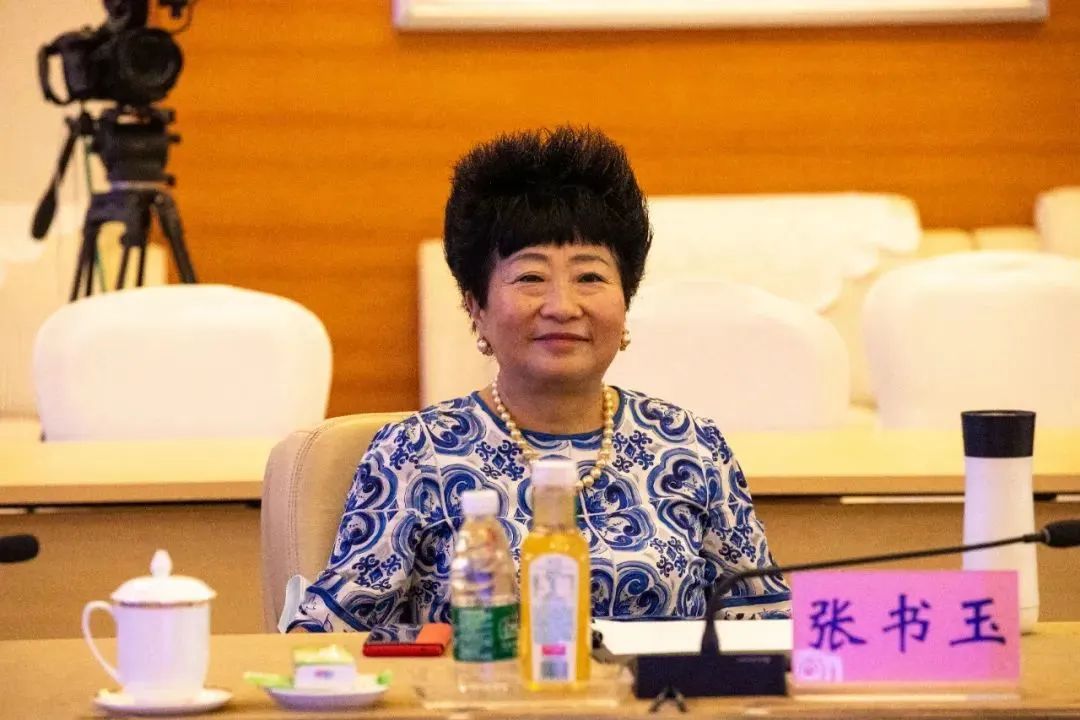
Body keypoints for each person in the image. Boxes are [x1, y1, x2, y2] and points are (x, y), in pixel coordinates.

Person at [287, 126, 790, 632]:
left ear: (626, 301)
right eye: (530, 277)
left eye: (590, 277)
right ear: (476, 308)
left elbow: (770, 622)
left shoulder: (691, 446)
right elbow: (323, 637)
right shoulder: (418, 453)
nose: (562, 307)